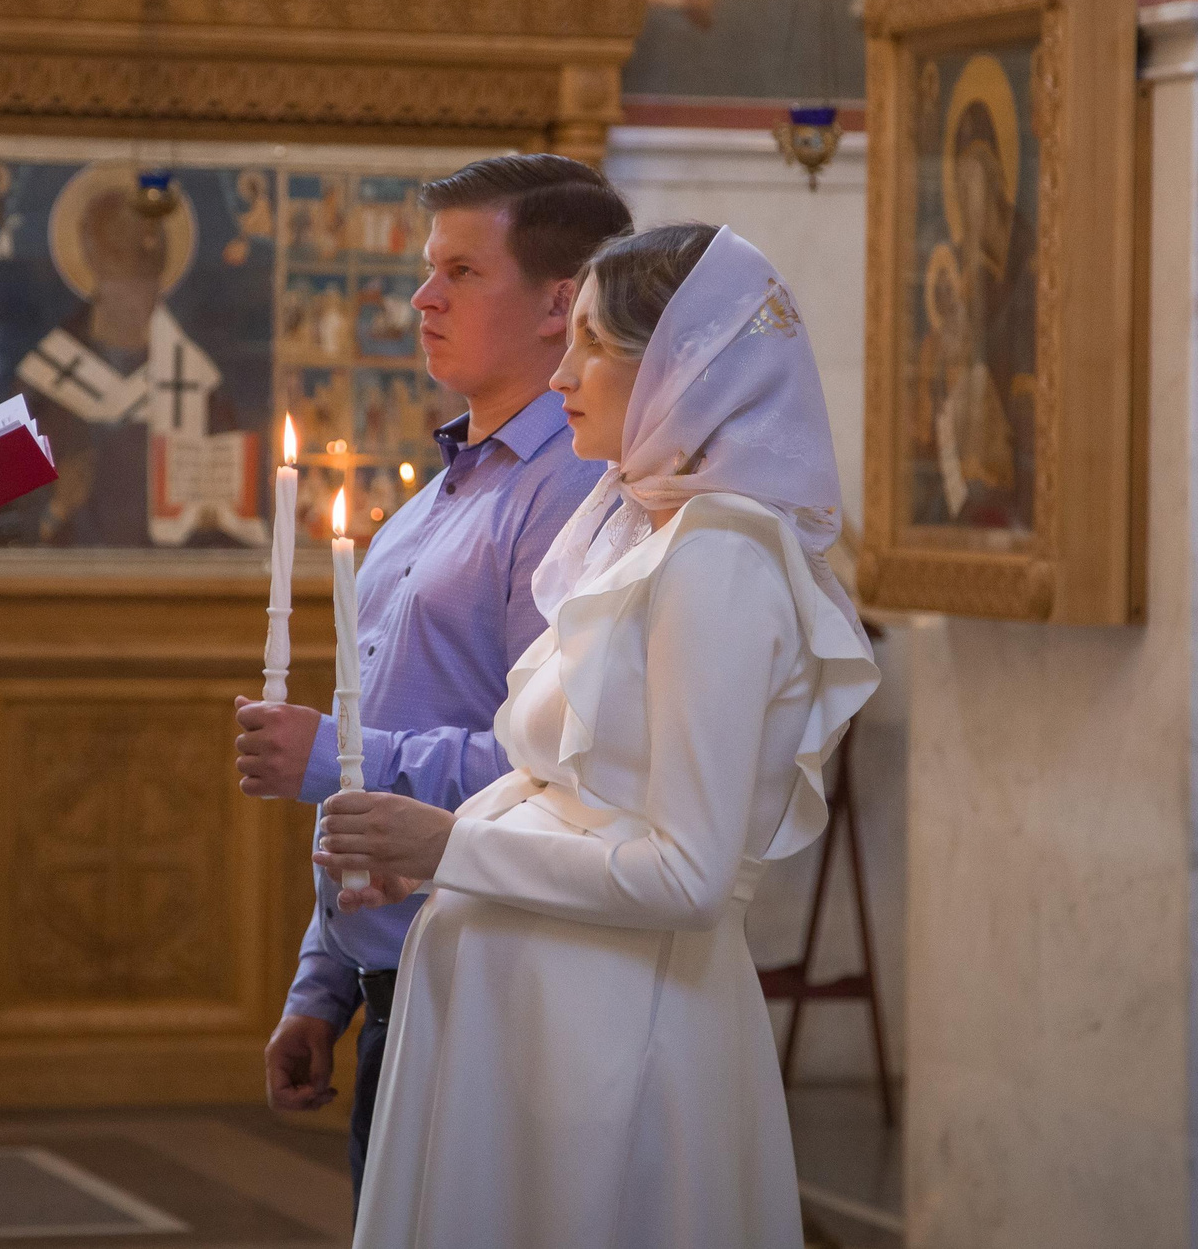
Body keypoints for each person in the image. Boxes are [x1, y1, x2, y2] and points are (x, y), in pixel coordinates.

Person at [314, 224, 881, 1249]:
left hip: (614, 1048)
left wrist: (450, 848)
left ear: (680, 370)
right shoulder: (642, 533)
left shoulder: (720, 562)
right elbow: (569, 795)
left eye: (592, 347)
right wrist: (436, 869)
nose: (563, 373)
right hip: (546, 1034)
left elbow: (689, 876)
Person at [231, 155, 631, 1195]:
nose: (423, 297)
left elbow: (557, 770)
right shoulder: (430, 503)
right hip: (394, 973)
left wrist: (323, 756)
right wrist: (323, 984)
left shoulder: (574, 495)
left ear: (558, 304)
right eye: (425, 269)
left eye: (460, 270)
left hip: (496, 981)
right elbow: (386, 734)